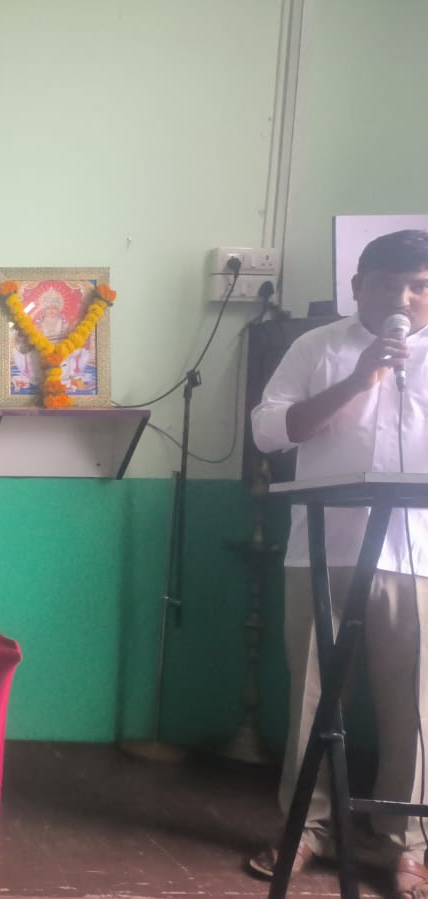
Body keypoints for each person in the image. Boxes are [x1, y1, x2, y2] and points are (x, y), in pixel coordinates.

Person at [247, 229, 428, 897]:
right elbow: (270, 431)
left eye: (419, 286)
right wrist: (359, 379)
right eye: (387, 284)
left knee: (415, 706)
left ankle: (405, 844)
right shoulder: (316, 347)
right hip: (323, 552)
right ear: (357, 287)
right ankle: (306, 828)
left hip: (418, 559)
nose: (402, 299)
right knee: (313, 701)